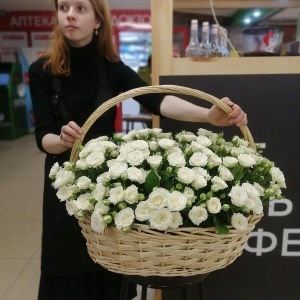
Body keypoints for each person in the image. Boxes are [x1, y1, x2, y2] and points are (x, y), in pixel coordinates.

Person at [28, 0, 248, 299]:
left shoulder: (112, 69)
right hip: (63, 179)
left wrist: (207, 115)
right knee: (65, 262)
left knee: (107, 262)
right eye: (63, 6)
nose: (69, 14)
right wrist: (64, 141)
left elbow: (157, 100)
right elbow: (44, 137)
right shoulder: (42, 70)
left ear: (97, 21)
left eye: (80, 8)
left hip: (103, 181)